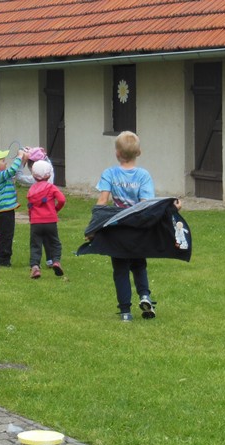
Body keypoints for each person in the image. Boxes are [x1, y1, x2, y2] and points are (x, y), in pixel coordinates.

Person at [96, 131, 181, 321]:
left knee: (120, 271)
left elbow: (102, 201)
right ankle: (144, 296)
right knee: (139, 265)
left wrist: (95, 225)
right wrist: (171, 208)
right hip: (138, 230)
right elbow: (146, 204)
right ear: (139, 152)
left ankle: (125, 312)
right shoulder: (143, 176)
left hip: (118, 229)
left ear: (117, 153)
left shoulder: (109, 174)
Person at [0, 147, 26, 267]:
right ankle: (3, 261)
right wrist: (19, 156)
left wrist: (23, 159)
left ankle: (4, 259)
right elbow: (12, 170)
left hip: (7, 211)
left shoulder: (2, 175)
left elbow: (14, 172)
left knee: (7, 236)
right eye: (3, 161)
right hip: (4, 212)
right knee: (6, 237)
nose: (5, 162)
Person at [26, 159, 66, 279]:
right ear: (48, 175)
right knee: (54, 242)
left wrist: (31, 218)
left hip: (36, 222)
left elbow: (30, 207)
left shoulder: (31, 190)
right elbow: (62, 200)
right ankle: (56, 261)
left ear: (33, 175)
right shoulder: (51, 187)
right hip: (50, 221)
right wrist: (55, 209)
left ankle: (35, 267)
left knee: (35, 245)